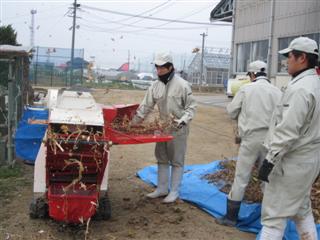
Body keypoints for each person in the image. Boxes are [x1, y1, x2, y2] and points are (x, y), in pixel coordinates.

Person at [258, 37, 320, 239]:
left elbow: (287, 131)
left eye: (289, 56)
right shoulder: (315, 84)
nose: (286, 61)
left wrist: (269, 160)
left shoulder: (301, 89)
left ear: (302, 58)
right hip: (310, 160)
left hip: (291, 162)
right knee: (301, 208)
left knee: (274, 215)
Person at [217, 60, 282, 226]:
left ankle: (231, 217)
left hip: (250, 138)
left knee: (241, 177)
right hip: (271, 140)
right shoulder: (277, 92)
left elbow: (231, 112)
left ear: (252, 74)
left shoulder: (246, 89)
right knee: (267, 179)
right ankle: (269, 221)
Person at [131, 52, 197, 203]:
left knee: (177, 160)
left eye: (162, 68)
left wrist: (182, 120)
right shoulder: (155, 86)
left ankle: (174, 191)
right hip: (161, 129)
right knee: (161, 158)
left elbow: (192, 107)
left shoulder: (182, 85)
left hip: (178, 129)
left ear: (170, 67)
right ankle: (161, 188)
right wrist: (132, 124)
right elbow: (145, 107)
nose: (158, 71)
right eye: (157, 67)